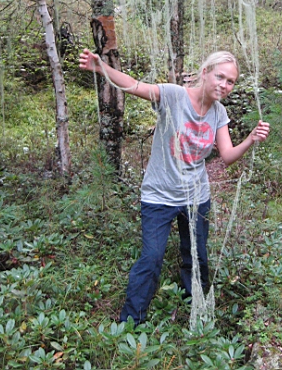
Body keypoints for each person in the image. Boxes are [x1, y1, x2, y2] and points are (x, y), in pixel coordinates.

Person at [79, 49, 270, 325]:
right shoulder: (174, 96)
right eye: (220, 77)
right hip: (159, 195)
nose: (224, 85)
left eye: (230, 81)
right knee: (152, 257)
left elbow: (227, 156)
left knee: (197, 258)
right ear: (205, 73)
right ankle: (131, 322)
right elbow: (134, 85)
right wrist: (101, 69)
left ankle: (195, 311)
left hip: (196, 197)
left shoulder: (219, 112)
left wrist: (251, 138)